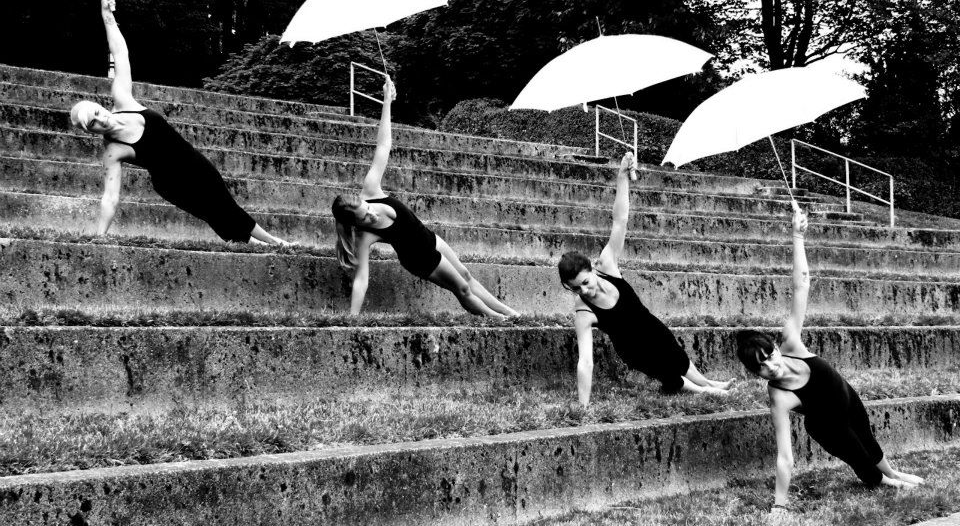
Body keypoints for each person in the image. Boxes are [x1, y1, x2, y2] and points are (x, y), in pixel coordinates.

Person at [736, 208, 923, 521]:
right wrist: (779, 505)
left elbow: (801, 286)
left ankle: (892, 472)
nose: (770, 366)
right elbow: (785, 455)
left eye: (769, 356)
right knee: (859, 458)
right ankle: (884, 481)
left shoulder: (791, 343)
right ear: (756, 374)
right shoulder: (779, 397)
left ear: (776, 349)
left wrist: (797, 235)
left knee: (867, 437)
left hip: (845, 396)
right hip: (827, 426)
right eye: (761, 367)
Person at [69, 0, 287, 246]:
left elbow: (120, 52)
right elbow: (110, 197)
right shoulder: (113, 151)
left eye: (96, 112)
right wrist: (99, 238)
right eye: (92, 124)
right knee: (212, 214)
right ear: (90, 131)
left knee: (224, 204)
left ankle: (271, 244)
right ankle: (273, 245)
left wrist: (106, 14)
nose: (100, 120)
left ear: (99, 106)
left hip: (192, 162)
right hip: (171, 184)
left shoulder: (123, 100)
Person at [331, 76, 519, 318]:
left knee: (466, 275)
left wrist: (386, 101)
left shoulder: (371, 190)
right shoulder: (363, 237)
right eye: (365, 218)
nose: (372, 214)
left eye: (367, 208)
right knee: (461, 289)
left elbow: (383, 146)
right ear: (356, 224)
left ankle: (510, 312)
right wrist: (352, 319)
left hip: (428, 238)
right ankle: (499, 320)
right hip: (418, 259)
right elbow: (361, 279)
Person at [559, 152, 733, 403]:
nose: (584, 291)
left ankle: (708, 383)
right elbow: (585, 361)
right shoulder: (584, 311)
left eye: (585, 283)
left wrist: (622, 177)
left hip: (652, 328)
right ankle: (708, 390)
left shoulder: (607, 265)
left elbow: (620, 221)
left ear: (592, 270)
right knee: (670, 376)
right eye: (576, 289)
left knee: (680, 360)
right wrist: (583, 408)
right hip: (634, 351)